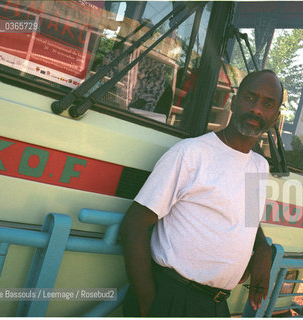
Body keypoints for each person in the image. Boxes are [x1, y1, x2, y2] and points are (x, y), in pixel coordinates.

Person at [119, 70, 284, 317]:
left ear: (275, 117)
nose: (257, 109)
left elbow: (247, 219)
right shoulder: (191, 154)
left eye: (268, 104)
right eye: (251, 98)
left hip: (216, 305)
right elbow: (134, 224)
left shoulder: (260, 166)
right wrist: (148, 303)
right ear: (234, 101)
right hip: (172, 297)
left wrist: (262, 249)